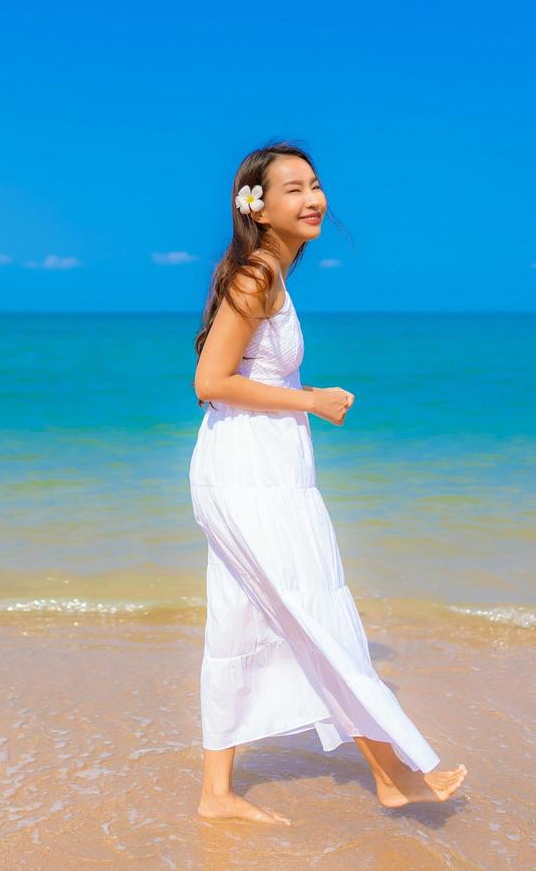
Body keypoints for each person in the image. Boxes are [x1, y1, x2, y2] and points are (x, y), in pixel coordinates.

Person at [189, 141, 468, 825]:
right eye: (292, 189)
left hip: (266, 465)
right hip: (249, 473)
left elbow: (251, 377)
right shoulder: (256, 275)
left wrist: (301, 394)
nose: (312, 199)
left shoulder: (271, 273)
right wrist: (309, 400)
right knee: (311, 612)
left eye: (314, 185)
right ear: (258, 206)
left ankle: (216, 796)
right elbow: (209, 383)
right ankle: (397, 772)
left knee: (247, 614)